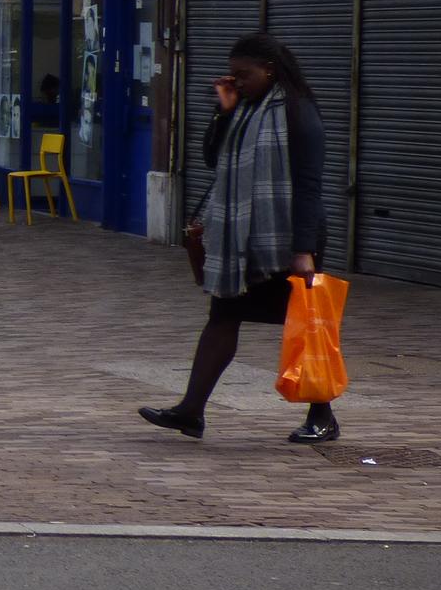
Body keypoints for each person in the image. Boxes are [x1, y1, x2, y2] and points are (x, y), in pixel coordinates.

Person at [141, 32, 337, 445]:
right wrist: (224, 111)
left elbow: (309, 184)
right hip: (242, 241)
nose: (237, 82)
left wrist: (303, 250)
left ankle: (323, 415)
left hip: (286, 238)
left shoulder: (297, 112)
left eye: (243, 75)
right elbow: (215, 160)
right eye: (233, 75)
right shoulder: (246, 109)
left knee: (305, 327)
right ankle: (191, 410)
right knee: (223, 317)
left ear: (269, 70)